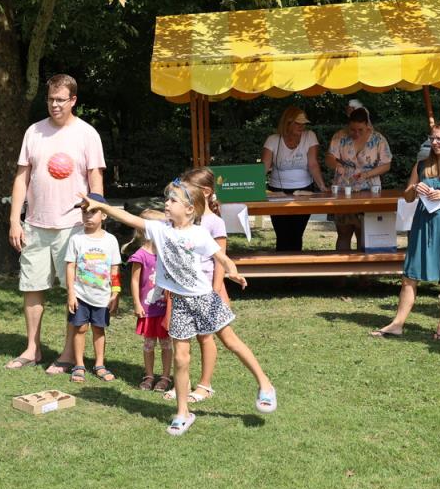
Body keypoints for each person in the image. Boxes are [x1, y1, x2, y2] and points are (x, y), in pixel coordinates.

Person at [80, 182, 276, 437]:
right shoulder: (160, 229)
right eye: (167, 200)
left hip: (204, 298)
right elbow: (128, 218)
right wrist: (101, 206)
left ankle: (265, 384)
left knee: (231, 342)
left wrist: (233, 271)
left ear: (189, 209)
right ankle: (183, 413)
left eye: (173, 201)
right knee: (181, 358)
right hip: (180, 303)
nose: (167, 204)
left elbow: (221, 257)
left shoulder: (199, 234)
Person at [5, 74, 106, 372]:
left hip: (74, 226)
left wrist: (96, 221)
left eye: (61, 100)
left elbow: (96, 181)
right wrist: (15, 220)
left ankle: (67, 354)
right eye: (50, 99)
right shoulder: (34, 132)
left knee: (74, 291)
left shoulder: (87, 134)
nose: (55, 105)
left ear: (73, 100)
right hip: (35, 225)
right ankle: (32, 349)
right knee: (32, 286)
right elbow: (21, 178)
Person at [371, 121, 440, 340]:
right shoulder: (421, 166)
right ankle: (397, 324)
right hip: (423, 225)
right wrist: (414, 188)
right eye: (432, 138)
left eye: (439, 139)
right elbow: (408, 197)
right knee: (410, 277)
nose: (434, 142)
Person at [168, 166, 229, 403]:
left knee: (205, 336)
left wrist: (216, 291)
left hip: (207, 289)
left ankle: (205, 385)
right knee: (180, 338)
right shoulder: (184, 219)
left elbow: (220, 260)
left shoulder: (215, 222)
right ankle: (181, 384)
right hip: (183, 289)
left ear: (205, 192)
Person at [64, 193, 121, 383]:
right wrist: (71, 293)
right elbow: (70, 266)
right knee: (80, 328)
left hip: (102, 297)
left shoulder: (111, 240)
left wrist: (115, 293)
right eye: (84, 212)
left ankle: (99, 365)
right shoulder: (76, 239)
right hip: (80, 295)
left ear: (104, 215)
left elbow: (115, 269)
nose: (87, 216)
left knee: (99, 329)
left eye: (93, 212)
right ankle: (79, 365)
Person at [262, 107, 329, 251]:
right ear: (287, 123)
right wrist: (255, 186)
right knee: (282, 233)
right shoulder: (273, 140)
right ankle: (284, 263)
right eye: (298, 123)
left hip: (304, 191)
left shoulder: (310, 136)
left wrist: (322, 186)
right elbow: (264, 167)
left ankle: (296, 262)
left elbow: (313, 164)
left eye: (303, 123)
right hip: (277, 191)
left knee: (297, 233)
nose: (302, 126)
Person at [326, 106, 392, 251]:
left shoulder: (378, 139)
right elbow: (329, 157)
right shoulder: (340, 136)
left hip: (370, 189)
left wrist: (367, 174)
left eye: (360, 130)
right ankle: (342, 265)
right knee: (343, 232)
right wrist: (337, 165)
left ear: (367, 125)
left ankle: (363, 266)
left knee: (364, 233)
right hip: (344, 189)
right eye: (352, 129)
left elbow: (386, 164)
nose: (356, 133)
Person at [126, 210, 173, 393]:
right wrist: (137, 303)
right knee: (149, 344)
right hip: (147, 310)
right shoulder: (140, 255)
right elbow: (134, 281)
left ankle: (165, 377)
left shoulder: (167, 253)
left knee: (167, 344)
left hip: (165, 310)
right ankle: (149, 375)